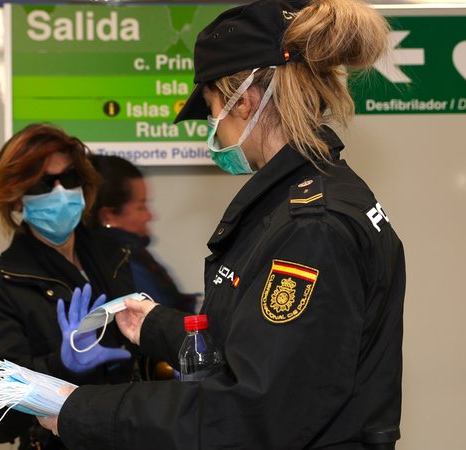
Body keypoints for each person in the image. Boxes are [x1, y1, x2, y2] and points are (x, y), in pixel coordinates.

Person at [39, 0, 406, 448]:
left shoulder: (311, 224)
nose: (213, 126)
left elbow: (252, 410)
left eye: (212, 107)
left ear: (245, 100)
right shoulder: (305, 199)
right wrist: (157, 327)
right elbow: (260, 349)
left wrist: (80, 410)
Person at [0, 124, 139, 450]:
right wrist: (62, 366)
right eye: (44, 183)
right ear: (16, 199)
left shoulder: (114, 254)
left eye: (70, 178)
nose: (60, 192)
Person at [88, 154, 198, 313]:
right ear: (108, 216)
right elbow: (160, 322)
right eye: (141, 207)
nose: (150, 216)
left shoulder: (132, 255)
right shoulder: (123, 266)